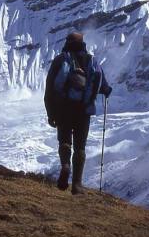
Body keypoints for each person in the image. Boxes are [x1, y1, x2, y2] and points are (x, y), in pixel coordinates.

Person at [44, 32, 112, 195]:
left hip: (63, 108)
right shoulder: (92, 61)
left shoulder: (61, 60)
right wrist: (106, 91)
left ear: (68, 43)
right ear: (82, 44)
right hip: (84, 110)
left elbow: (49, 89)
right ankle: (77, 184)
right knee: (80, 147)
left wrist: (50, 113)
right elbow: (104, 86)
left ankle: (65, 166)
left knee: (65, 141)